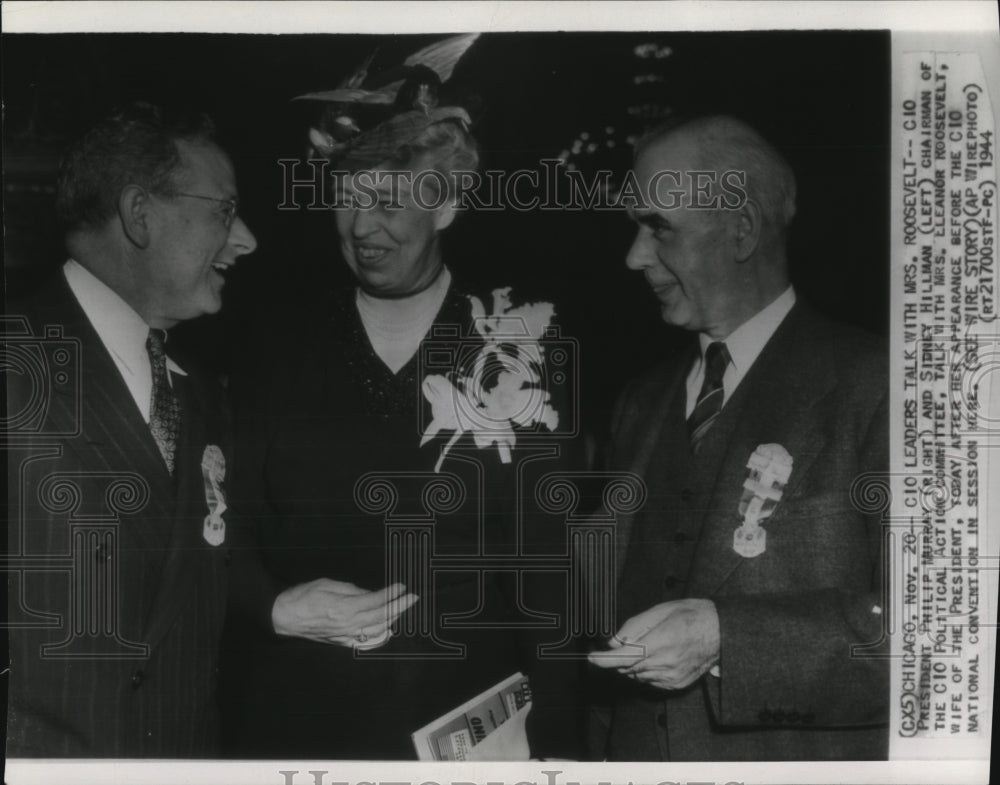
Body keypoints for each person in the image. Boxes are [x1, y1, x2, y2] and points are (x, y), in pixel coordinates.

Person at [223, 45, 582, 760]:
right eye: (347, 197)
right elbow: (216, 531)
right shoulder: (275, 344)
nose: (361, 229)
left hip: (472, 735)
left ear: (446, 203)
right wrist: (268, 604)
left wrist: (557, 749)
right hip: (299, 724)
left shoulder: (521, 346)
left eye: (387, 201)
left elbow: (555, 578)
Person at [588, 115, 889, 760]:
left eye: (658, 227)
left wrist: (729, 637)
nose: (634, 256)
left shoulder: (885, 386)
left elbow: (940, 635)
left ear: (742, 230)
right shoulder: (639, 402)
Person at [5, 101, 257, 757]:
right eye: (225, 212)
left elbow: (187, 574)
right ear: (140, 214)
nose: (246, 240)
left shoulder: (197, 391)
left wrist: (280, 605)